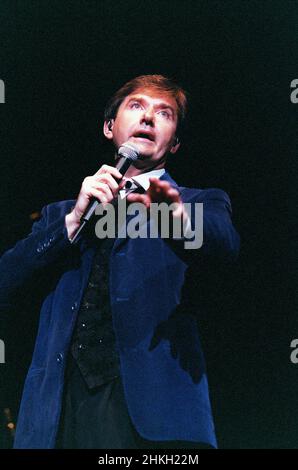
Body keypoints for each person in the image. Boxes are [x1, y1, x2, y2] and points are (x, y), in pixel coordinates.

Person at [0, 75, 240, 449]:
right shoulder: (60, 214)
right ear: (110, 127)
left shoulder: (199, 201)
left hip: (152, 416)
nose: (148, 119)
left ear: (174, 143)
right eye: (136, 106)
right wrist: (74, 221)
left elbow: (225, 245)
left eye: (164, 113)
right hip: (58, 413)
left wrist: (171, 212)